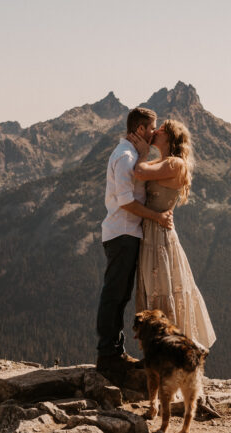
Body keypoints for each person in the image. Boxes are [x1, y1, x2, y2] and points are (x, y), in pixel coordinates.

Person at [96, 107, 173, 375]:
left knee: (120, 295)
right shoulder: (125, 156)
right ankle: (108, 353)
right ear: (140, 129)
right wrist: (157, 217)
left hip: (127, 233)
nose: (155, 132)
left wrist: (144, 155)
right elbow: (126, 201)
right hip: (122, 233)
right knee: (114, 295)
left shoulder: (132, 155)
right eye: (152, 127)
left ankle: (114, 350)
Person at [130, 119, 216, 350]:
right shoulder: (165, 161)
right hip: (152, 231)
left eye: (161, 130)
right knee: (155, 289)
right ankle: (160, 351)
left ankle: (172, 350)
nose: (156, 131)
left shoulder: (175, 163)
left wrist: (143, 152)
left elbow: (139, 171)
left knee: (162, 290)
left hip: (159, 235)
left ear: (170, 138)